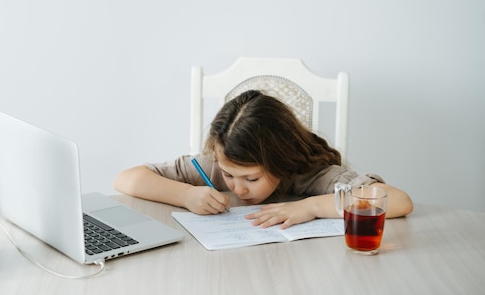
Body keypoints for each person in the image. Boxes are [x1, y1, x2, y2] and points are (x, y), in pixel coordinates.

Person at [114, 89, 413, 229]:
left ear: (280, 160)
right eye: (230, 176)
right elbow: (126, 178)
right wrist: (186, 194)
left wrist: (310, 207)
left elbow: (399, 201)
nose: (238, 188)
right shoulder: (215, 165)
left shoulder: (312, 174)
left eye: (252, 179)